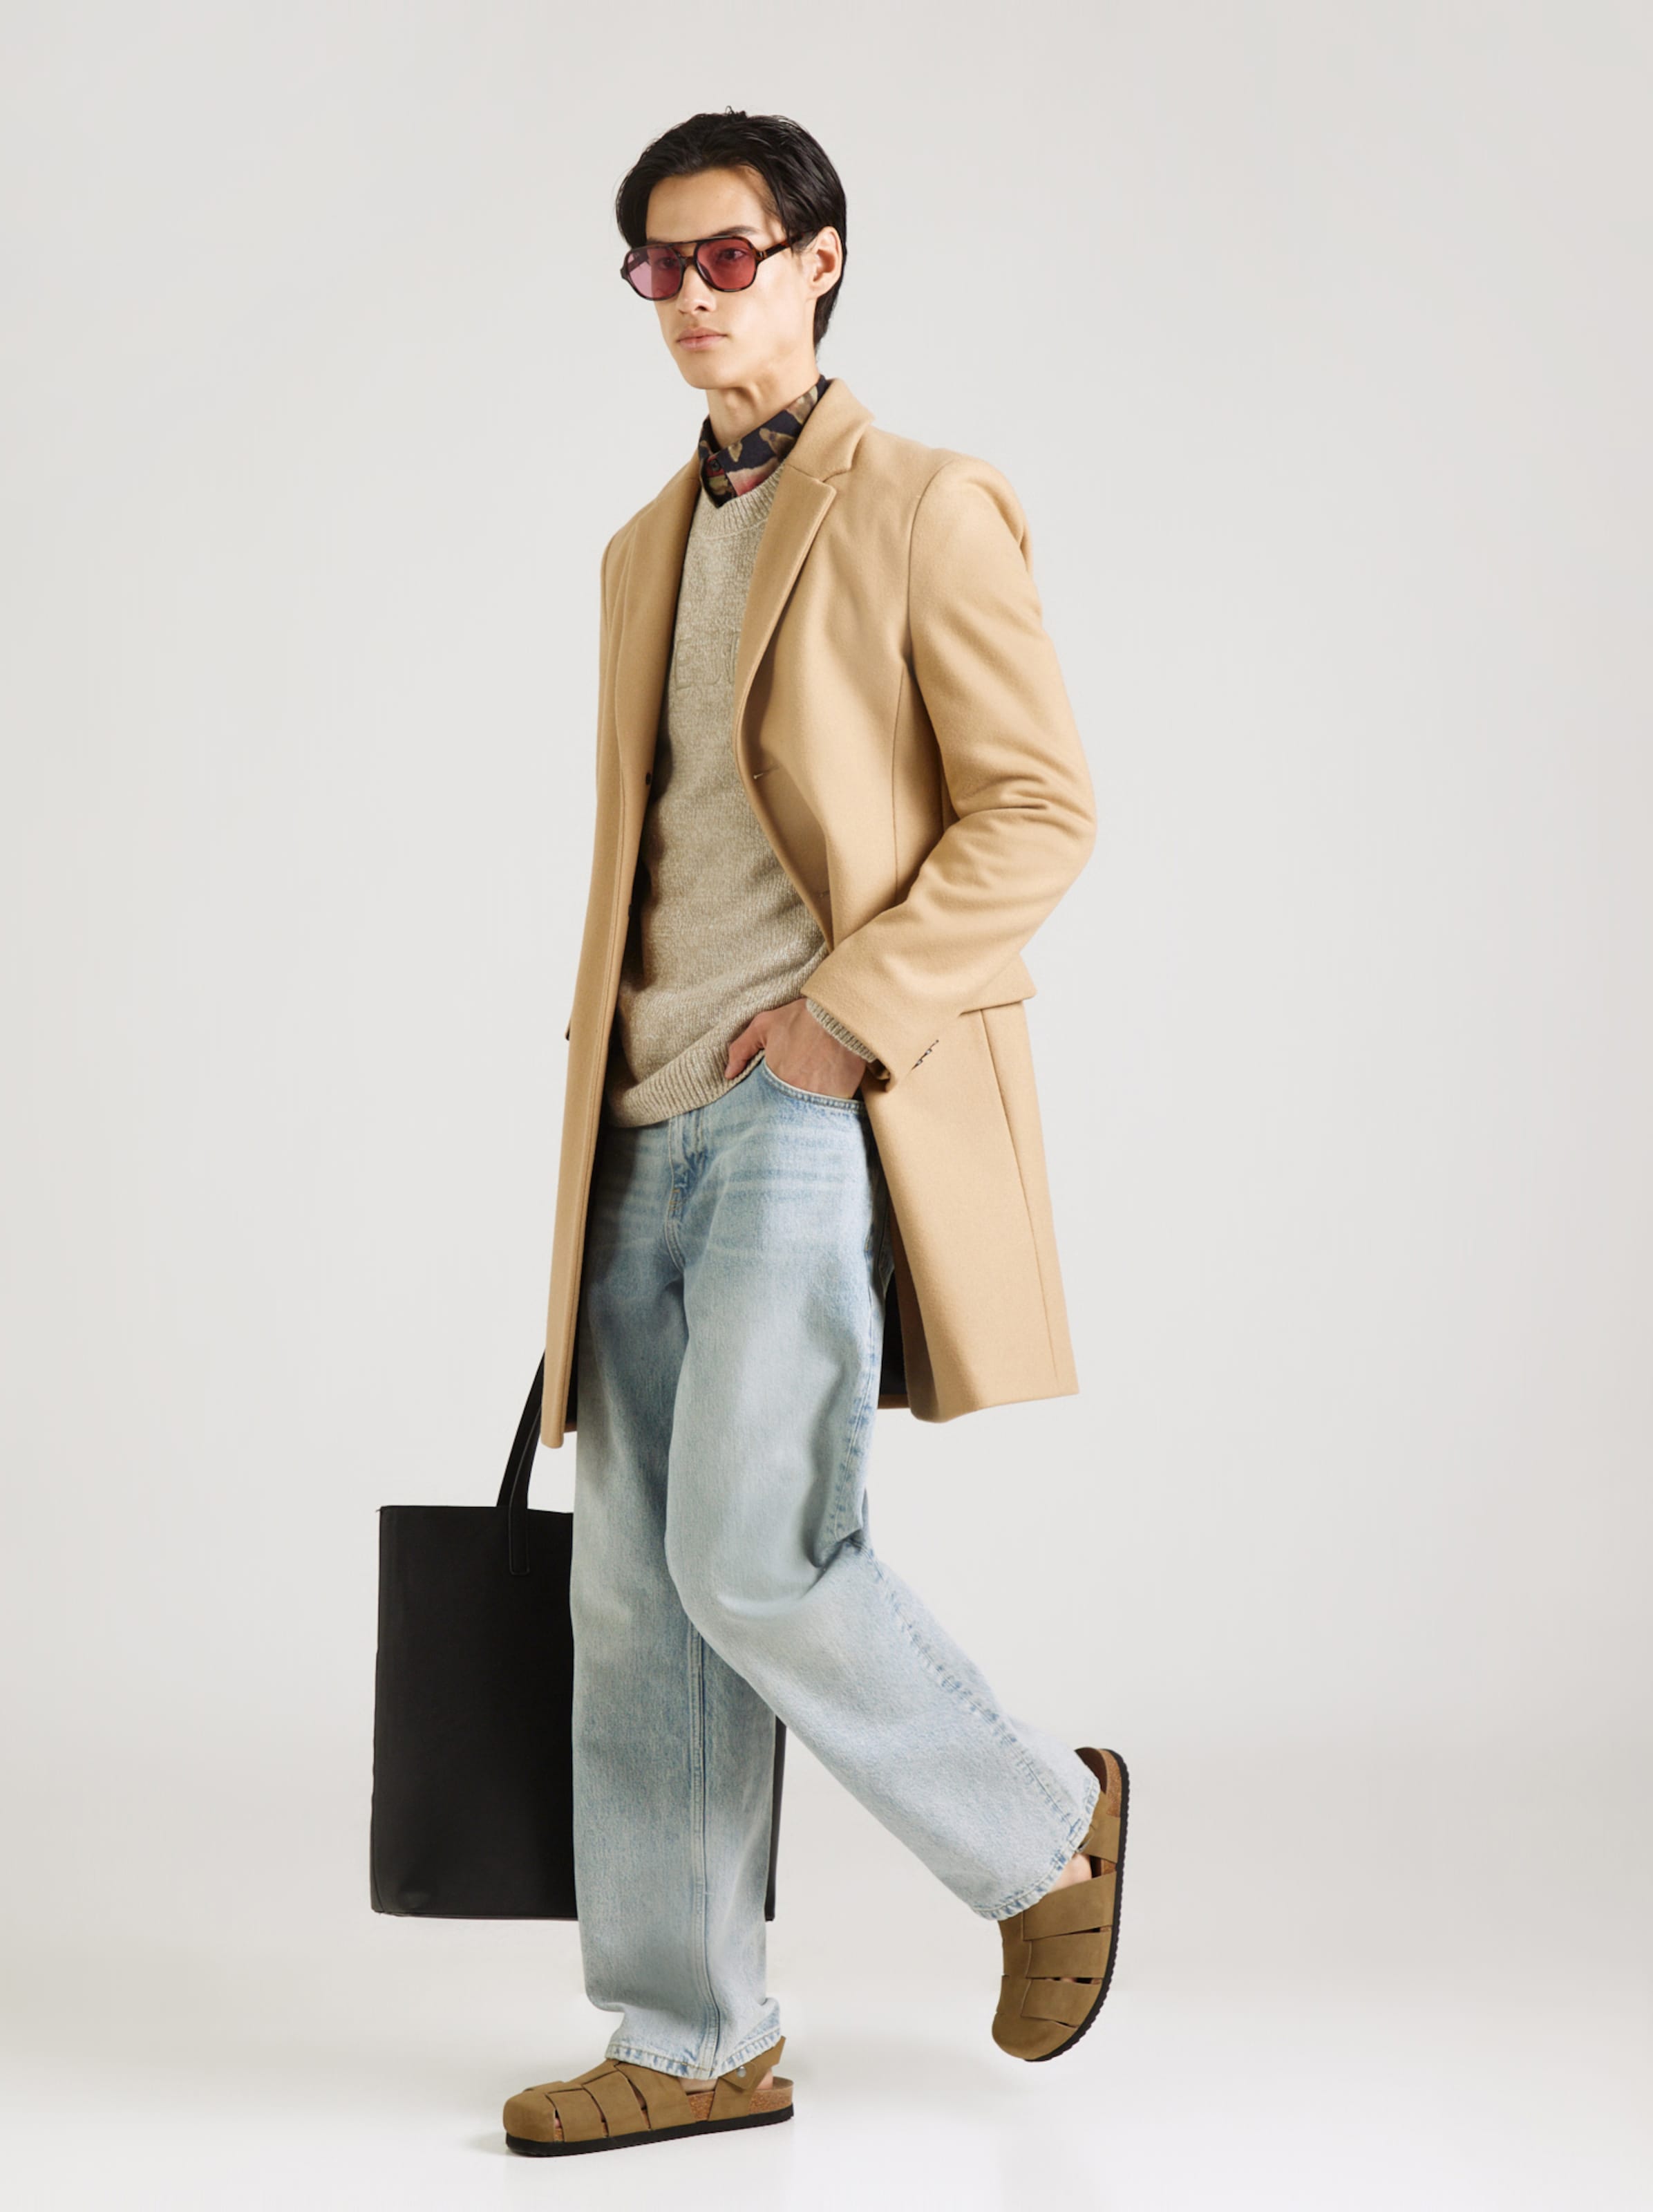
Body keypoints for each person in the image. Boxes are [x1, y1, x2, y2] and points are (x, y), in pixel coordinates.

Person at [503, 108, 1129, 2160]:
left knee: (754, 1559)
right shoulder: (640, 551)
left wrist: (841, 1026)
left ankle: (1042, 1829)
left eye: (729, 256)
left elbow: (1038, 809)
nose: (692, 297)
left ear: (819, 261)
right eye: (657, 267)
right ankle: (693, 2039)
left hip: (802, 1098)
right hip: (637, 1116)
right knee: (634, 1599)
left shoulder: (927, 504)